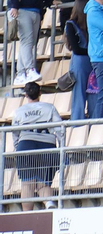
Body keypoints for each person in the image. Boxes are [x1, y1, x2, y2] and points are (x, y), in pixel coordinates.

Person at [12, 81, 64, 209]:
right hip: (47, 146)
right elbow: (60, 130)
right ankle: (49, 203)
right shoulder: (50, 108)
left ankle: (27, 216)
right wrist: (62, 146)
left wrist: (17, 147)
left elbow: (15, 133)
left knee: (27, 184)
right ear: (40, 93)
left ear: (25, 95)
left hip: (26, 146)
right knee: (44, 183)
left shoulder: (19, 111)